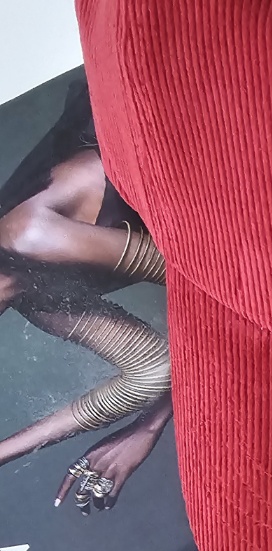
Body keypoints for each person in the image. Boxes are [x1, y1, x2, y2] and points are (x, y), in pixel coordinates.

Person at [0, 75, 171, 515]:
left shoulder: (28, 234)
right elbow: (154, 370)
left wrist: (148, 426)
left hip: (189, 121)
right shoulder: (36, 299)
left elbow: (207, 279)